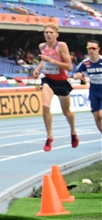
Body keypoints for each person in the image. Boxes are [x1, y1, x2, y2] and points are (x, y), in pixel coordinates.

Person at [33, 23, 78, 151]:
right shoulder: (42, 46)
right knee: (45, 106)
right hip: (48, 80)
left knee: (67, 112)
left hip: (62, 82)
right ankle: (49, 136)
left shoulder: (61, 46)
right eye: (46, 32)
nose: (48, 34)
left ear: (56, 34)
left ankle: (73, 131)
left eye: (51, 32)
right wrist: (37, 69)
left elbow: (69, 66)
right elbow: (43, 60)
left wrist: (51, 60)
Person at [73, 40, 101, 134]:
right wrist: (77, 76)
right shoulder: (85, 63)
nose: (91, 50)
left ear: (98, 49)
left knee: (101, 114)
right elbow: (77, 73)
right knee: (96, 117)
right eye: (89, 48)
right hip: (94, 92)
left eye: (93, 48)